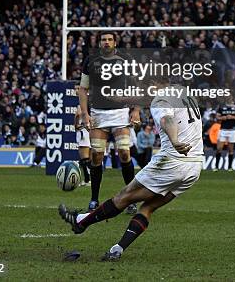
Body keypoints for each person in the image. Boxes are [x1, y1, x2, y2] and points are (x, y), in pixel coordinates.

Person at [59, 90, 203, 262]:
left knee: (123, 197)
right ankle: (117, 249)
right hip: (194, 166)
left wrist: (175, 141)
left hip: (172, 161)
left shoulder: (161, 99)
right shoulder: (185, 95)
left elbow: (167, 119)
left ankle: (81, 222)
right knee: (147, 208)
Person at [78, 32, 140, 212]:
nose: (106, 42)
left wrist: (135, 110)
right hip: (98, 114)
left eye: (109, 39)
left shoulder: (125, 59)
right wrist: (85, 114)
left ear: (115, 42)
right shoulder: (91, 61)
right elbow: (83, 89)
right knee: (96, 156)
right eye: (103, 40)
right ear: (99, 43)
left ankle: (130, 199)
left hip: (120, 113)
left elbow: (137, 86)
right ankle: (94, 199)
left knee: (124, 154)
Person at [213, 99, 235, 171]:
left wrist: (232, 117)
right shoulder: (221, 106)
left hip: (232, 130)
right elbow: (217, 117)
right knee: (219, 148)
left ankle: (229, 167)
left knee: (230, 150)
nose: (228, 97)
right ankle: (216, 167)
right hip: (223, 130)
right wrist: (222, 118)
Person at [74, 99, 91, 186]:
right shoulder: (91, 101)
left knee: (84, 158)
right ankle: (91, 179)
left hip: (83, 131)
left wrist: (76, 124)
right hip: (89, 130)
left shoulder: (82, 102)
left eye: (77, 88)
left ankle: (88, 180)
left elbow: (78, 114)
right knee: (89, 158)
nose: (76, 90)